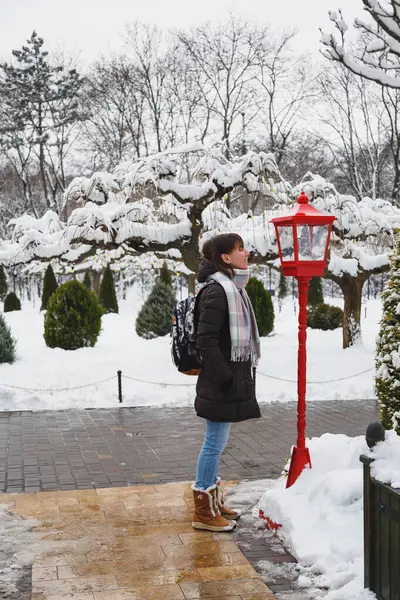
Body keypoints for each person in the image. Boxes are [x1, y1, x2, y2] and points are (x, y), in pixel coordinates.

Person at [191, 233, 261, 532]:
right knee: (213, 444)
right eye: (239, 249)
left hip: (227, 379)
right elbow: (204, 341)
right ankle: (204, 513)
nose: (246, 253)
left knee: (217, 444)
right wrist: (226, 377)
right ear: (225, 258)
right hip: (220, 381)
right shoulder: (218, 292)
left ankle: (213, 502)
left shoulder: (233, 289)